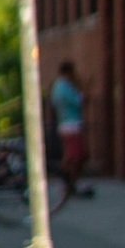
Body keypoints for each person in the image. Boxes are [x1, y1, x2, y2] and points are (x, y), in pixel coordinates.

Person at [49, 60, 87, 196]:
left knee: (71, 155)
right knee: (75, 156)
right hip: (72, 125)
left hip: (64, 124)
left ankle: (68, 182)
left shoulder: (56, 87)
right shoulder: (66, 87)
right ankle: (68, 182)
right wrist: (79, 86)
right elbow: (79, 101)